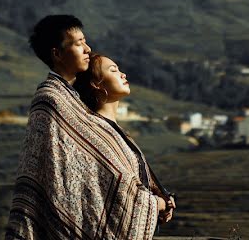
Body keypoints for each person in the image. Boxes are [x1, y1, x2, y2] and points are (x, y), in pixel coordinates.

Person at [5, 15, 168, 239]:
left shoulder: (75, 102)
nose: (87, 49)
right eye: (78, 44)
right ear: (57, 54)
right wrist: (153, 203)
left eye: (85, 42)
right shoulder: (51, 99)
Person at [74, 54, 176, 226]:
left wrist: (163, 196)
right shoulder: (97, 132)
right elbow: (121, 190)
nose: (123, 74)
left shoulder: (118, 132)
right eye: (114, 70)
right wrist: (157, 204)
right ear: (96, 83)